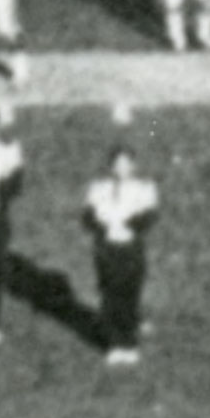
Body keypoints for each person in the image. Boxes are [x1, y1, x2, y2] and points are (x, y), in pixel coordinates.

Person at [81, 130, 157, 364]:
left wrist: (126, 224)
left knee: (129, 293)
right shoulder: (98, 188)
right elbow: (88, 217)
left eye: (126, 165)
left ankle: (129, 342)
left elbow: (148, 217)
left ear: (133, 167)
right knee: (110, 293)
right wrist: (104, 227)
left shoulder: (144, 188)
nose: (121, 169)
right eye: (117, 165)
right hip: (107, 247)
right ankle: (115, 343)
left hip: (130, 247)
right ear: (111, 167)